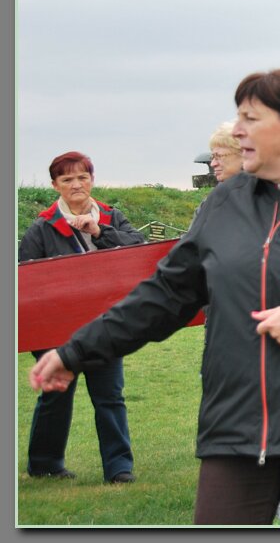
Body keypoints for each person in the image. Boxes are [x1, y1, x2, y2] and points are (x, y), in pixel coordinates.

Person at [30, 67, 280, 524]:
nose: (238, 131)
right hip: (234, 426)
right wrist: (76, 352)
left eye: (250, 119)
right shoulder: (223, 203)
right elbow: (163, 297)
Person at [19, 152, 145, 484]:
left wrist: (100, 232)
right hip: (58, 333)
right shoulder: (42, 228)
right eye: (67, 179)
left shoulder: (111, 216)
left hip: (106, 326)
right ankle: (44, 463)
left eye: (82, 177)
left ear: (92, 178)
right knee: (55, 395)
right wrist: (41, 345)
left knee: (110, 396)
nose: (76, 184)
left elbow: (137, 252)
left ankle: (119, 468)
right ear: (55, 186)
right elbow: (28, 287)